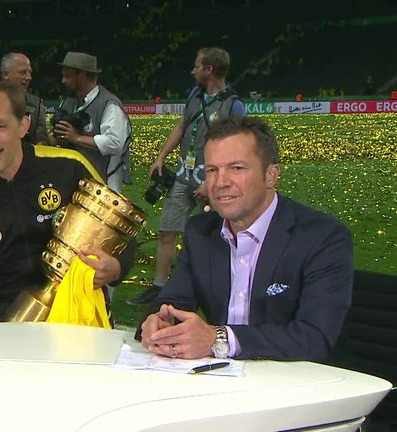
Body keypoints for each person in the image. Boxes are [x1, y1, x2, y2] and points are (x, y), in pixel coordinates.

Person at [135, 116, 352, 361]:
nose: (221, 183)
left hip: (302, 378)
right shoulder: (201, 232)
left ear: (271, 175)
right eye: (212, 170)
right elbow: (172, 302)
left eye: (236, 168)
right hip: (223, 378)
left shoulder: (322, 238)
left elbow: (315, 338)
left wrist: (219, 339)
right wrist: (159, 321)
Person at [0, 81, 137, 319]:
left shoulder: (69, 167)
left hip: (80, 318)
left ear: (23, 126)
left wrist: (116, 267)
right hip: (12, 323)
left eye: (0, 126)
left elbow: (122, 232)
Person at [127, 47, 245, 306]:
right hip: (183, 175)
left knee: (216, 238)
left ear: (209, 70)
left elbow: (237, 147)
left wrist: (210, 181)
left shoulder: (233, 105)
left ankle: (213, 291)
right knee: (167, 230)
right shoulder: (195, 95)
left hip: (213, 182)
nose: (193, 71)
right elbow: (182, 127)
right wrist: (161, 157)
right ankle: (159, 287)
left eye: (197, 66)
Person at [54, 51, 131, 194]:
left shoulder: (109, 104)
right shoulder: (67, 102)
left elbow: (115, 143)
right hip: (73, 183)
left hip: (103, 188)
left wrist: (76, 138)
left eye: (68, 76)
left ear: (81, 76)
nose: (63, 81)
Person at [0, 52, 49, 146]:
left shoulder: (36, 103)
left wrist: (40, 144)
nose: (28, 77)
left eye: (30, 72)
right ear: (5, 74)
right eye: (23, 72)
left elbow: (42, 138)